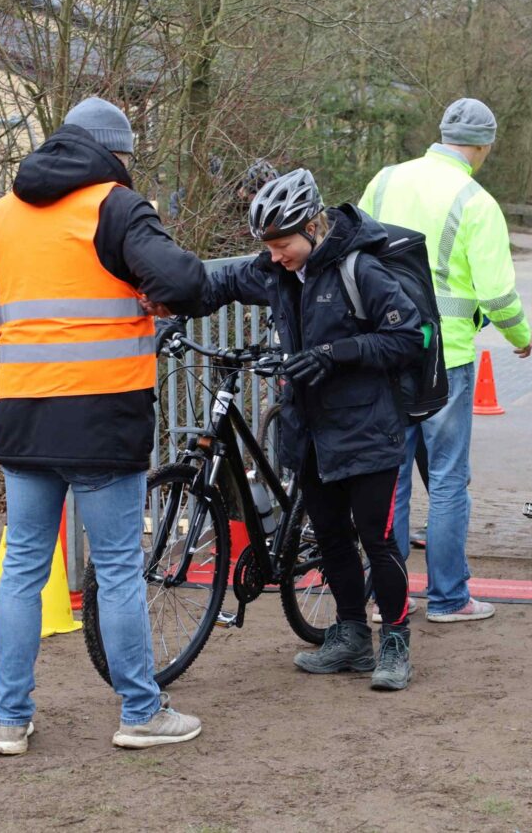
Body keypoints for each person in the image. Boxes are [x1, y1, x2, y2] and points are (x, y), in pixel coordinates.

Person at [0, 96, 210, 754]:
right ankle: (140, 713)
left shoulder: (1, 215)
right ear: (116, 155)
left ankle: (10, 718)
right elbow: (185, 279)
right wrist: (157, 297)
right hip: (102, 418)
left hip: (25, 417)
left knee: (24, 567)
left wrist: (21, 323)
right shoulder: (115, 206)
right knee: (118, 568)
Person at [185, 169, 423, 690]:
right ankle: (351, 636)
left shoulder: (360, 270)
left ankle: (397, 641)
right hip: (310, 430)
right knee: (333, 537)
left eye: (283, 243)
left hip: (367, 430)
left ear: (314, 226)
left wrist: (337, 353)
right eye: (267, 246)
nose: (274, 255)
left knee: (376, 541)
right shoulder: (275, 271)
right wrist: (169, 302)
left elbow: (410, 336)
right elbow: (220, 283)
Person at [359, 97, 532, 623]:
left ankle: (383, 597)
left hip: (383, 350)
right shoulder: (476, 201)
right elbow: (499, 294)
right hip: (445, 358)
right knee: (449, 479)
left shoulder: (384, 181)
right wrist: (520, 337)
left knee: (388, 477)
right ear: (484, 145)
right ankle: (449, 597)